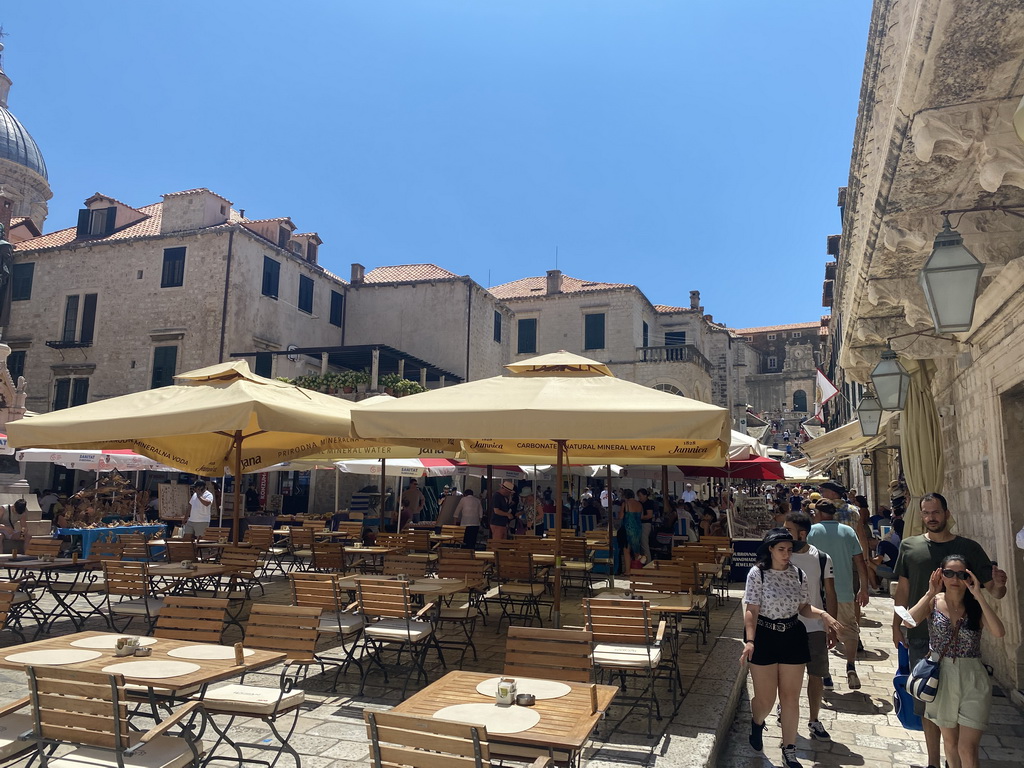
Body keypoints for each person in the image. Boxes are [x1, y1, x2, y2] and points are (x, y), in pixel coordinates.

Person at [892, 493, 1006, 768]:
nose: (932, 517)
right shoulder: (909, 546)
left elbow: (993, 589)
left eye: (936, 512)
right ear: (921, 515)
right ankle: (933, 761)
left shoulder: (969, 548)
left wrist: (1000, 585)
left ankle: (949, 760)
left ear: (946, 513)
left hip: (961, 636)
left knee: (954, 723)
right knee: (928, 706)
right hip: (923, 635)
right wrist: (896, 626)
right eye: (926, 513)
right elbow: (904, 589)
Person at [742, 528, 843, 768]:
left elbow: (804, 607)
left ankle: (789, 749)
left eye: (789, 549)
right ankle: (757, 722)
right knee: (766, 700)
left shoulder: (798, 574)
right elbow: (752, 609)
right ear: (770, 550)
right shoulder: (758, 574)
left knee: (790, 697)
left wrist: (823, 615)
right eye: (781, 549)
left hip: (792, 635)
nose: (786, 554)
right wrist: (750, 640)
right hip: (765, 635)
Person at [904, 556, 1004, 768]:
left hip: (972, 676)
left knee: (967, 748)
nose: (955, 579)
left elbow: (998, 632)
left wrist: (978, 594)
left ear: (969, 576)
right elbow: (908, 621)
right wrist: (930, 592)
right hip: (942, 675)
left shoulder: (975, 606)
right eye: (949, 573)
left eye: (961, 574)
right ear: (941, 574)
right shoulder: (934, 601)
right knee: (950, 743)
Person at [783, 511, 838, 742]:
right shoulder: (781, 556)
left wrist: (832, 625)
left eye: (788, 530)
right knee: (788, 677)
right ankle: (785, 712)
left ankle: (814, 719)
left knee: (816, 675)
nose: (784, 534)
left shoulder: (822, 558)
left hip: (814, 625)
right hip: (787, 625)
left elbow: (830, 592)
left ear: (802, 534)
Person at [807, 499, 869, 689]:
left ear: (817, 513)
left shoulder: (812, 532)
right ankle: (850, 666)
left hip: (818, 591)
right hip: (843, 589)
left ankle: (825, 675)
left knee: (820, 632)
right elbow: (859, 561)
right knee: (849, 629)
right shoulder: (848, 531)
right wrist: (864, 588)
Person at [619, 489, 643, 574]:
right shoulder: (639, 504)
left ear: (625, 496)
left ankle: (628, 570)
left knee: (626, 550)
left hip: (628, 528)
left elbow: (621, 516)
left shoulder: (625, 504)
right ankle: (637, 569)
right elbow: (641, 516)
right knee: (636, 550)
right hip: (638, 528)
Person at [636, 488, 655, 564]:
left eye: (640, 496)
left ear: (645, 495)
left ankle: (648, 561)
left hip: (645, 524)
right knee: (641, 544)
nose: (639, 497)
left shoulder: (648, 503)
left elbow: (649, 515)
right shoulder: (639, 503)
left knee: (644, 543)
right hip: (640, 524)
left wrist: (640, 517)